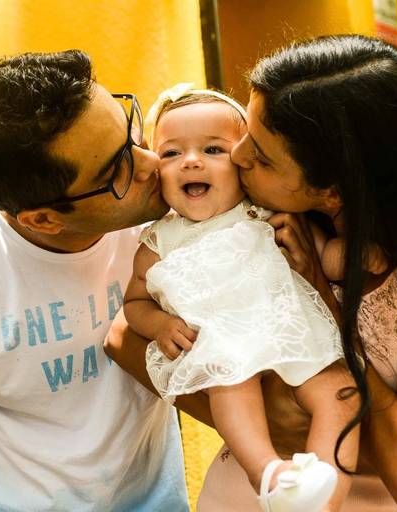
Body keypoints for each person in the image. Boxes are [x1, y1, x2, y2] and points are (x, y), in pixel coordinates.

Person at [105, 35, 397, 512]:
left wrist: (322, 305)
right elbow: (124, 337)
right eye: (248, 132)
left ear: (331, 190)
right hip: (251, 490)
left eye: (263, 155)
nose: (237, 156)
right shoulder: (252, 209)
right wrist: (248, 410)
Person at [0, 50, 207, 511]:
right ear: (44, 220)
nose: (151, 163)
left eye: (131, 132)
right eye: (117, 170)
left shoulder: (172, 216)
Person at [123, 85, 357, 512]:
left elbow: (324, 255)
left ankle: (323, 495)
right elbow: (134, 303)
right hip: (225, 344)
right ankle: (268, 475)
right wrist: (159, 325)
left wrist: (366, 254)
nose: (191, 161)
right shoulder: (159, 241)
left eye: (213, 149)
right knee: (230, 387)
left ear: (243, 164)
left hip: (293, 331)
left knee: (341, 393)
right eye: (172, 154)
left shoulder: (265, 210)